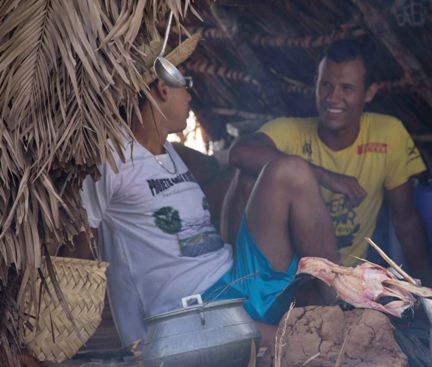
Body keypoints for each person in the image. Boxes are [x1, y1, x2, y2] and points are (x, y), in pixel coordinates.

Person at [69, 35, 340, 348]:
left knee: (290, 173)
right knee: (310, 345)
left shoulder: (169, 152)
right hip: (190, 313)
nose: (190, 94)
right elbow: (79, 250)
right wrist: (60, 333)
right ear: (162, 88)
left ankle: (336, 300)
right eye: (186, 82)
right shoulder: (112, 159)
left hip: (235, 280)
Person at [226, 39, 432, 287]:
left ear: (369, 93)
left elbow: (405, 220)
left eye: (346, 88)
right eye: (325, 85)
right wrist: (324, 176)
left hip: (345, 278)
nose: (332, 97)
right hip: (285, 273)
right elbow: (239, 153)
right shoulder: (292, 131)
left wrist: (431, 289)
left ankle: (327, 294)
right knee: (249, 177)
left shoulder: (387, 134)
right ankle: (243, 281)